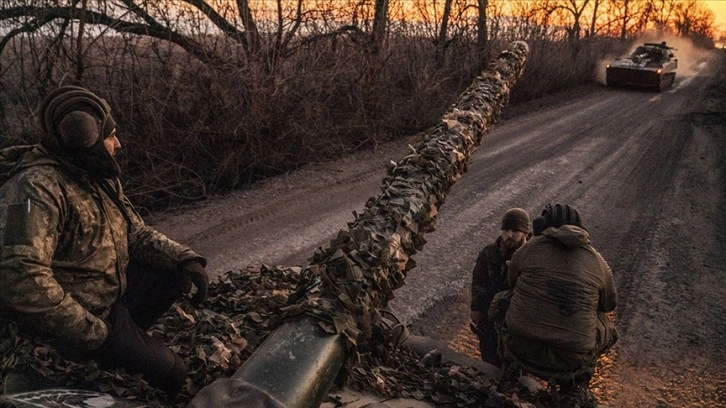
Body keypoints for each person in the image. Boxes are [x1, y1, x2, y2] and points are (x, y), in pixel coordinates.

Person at [0, 86, 209, 399]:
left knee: (171, 273)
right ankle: (103, 356)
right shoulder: (32, 189)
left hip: (109, 304)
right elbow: (20, 277)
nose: (118, 144)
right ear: (85, 137)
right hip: (71, 326)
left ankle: (120, 351)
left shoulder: (98, 174)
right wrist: (95, 334)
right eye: (111, 136)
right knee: (175, 374)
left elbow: (134, 231)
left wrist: (185, 258)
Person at [501, 204, 618, 406]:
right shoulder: (597, 261)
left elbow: (511, 282)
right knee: (606, 325)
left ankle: (509, 367)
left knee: (502, 300)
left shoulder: (530, 248)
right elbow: (609, 305)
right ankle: (575, 386)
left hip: (521, 347)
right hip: (570, 360)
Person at [469, 207, 530, 368]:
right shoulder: (489, 253)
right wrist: (476, 308)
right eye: (506, 230)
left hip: (517, 322)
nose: (509, 235)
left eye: (515, 230)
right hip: (489, 317)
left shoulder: (531, 257)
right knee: (489, 361)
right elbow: (478, 281)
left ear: (525, 233)